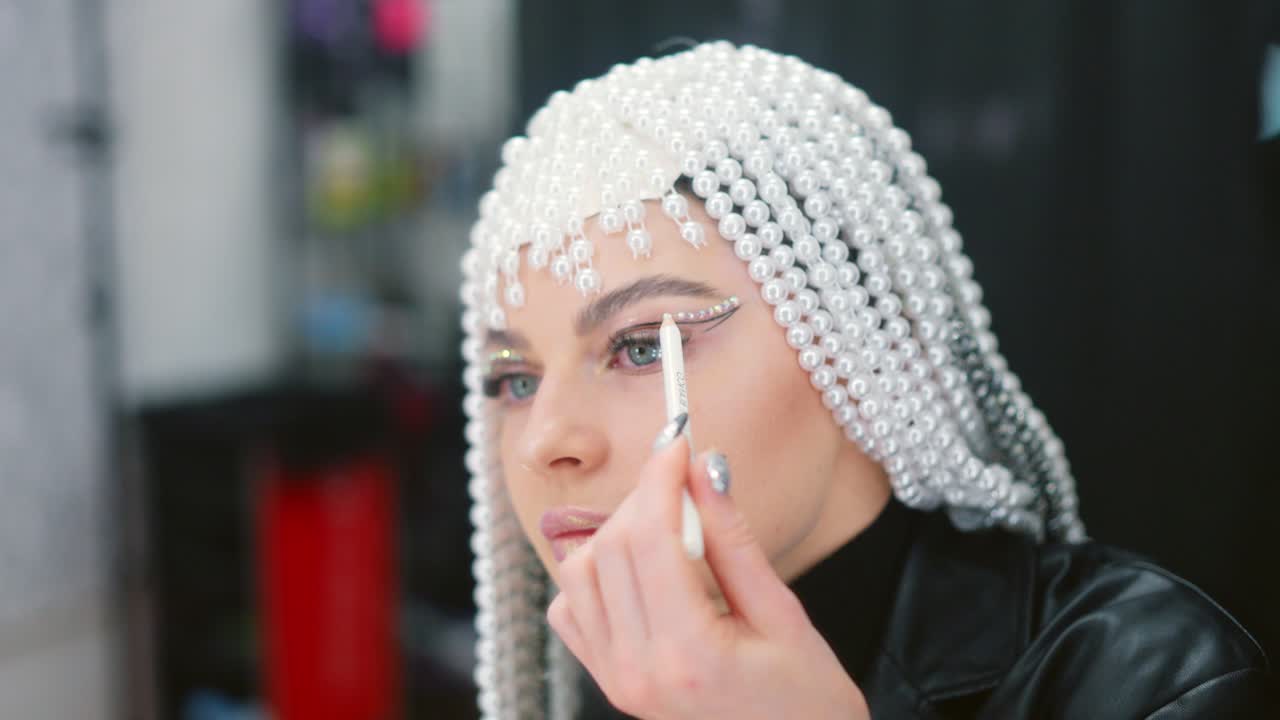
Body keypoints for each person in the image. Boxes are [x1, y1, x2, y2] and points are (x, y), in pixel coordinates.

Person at [458, 42, 1272, 718]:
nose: (545, 441)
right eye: (514, 379)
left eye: (640, 348)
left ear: (869, 347)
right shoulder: (611, 684)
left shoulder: (1138, 680)